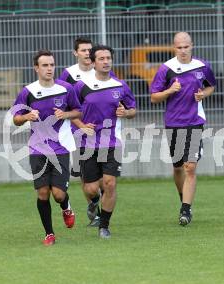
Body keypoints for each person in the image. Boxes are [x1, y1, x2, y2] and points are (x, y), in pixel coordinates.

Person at [12, 50, 81, 246]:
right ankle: (49, 233)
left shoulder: (66, 88)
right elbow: (16, 119)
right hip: (37, 149)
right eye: (45, 65)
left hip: (60, 148)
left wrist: (65, 115)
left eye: (51, 64)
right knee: (43, 193)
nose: (49, 68)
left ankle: (66, 206)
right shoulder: (28, 92)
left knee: (58, 194)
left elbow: (78, 111)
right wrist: (26, 117)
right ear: (36, 68)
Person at [150, 32, 216, 226]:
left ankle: (185, 210)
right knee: (178, 167)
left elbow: (211, 86)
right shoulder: (166, 69)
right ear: (174, 48)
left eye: (186, 47)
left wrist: (203, 94)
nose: (183, 50)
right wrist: (170, 91)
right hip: (173, 123)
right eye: (179, 47)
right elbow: (154, 97)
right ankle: (183, 198)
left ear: (192, 46)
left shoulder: (202, 67)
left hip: (195, 122)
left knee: (190, 166)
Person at [73, 45, 136, 239]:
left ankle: (105, 226)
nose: (106, 61)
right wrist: (81, 125)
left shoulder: (120, 85)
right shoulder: (81, 86)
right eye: (101, 58)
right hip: (88, 144)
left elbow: (133, 110)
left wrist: (126, 113)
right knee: (91, 188)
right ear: (93, 62)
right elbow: (71, 112)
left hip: (111, 143)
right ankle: (93, 202)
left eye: (108, 58)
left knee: (109, 184)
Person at [59, 37, 103, 226]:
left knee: (103, 177)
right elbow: (61, 101)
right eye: (83, 50)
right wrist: (79, 124)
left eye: (89, 50)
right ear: (75, 53)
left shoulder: (101, 71)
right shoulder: (68, 74)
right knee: (85, 175)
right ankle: (96, 211)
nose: (87, 53)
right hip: (76, 132)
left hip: (101, 131)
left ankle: (96, 204)